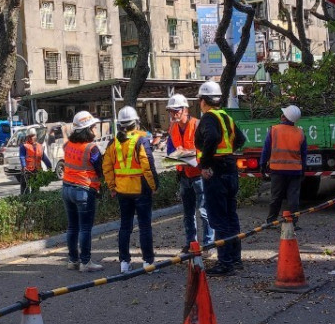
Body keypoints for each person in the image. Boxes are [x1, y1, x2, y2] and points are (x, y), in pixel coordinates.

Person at [194, 81, 247, 276]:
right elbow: (240, 139)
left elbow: (212, 137)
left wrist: (205, 163)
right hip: (230, 168)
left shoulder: (208, 118)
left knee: (218, 218)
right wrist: (226, 153)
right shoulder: (226, 117)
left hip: (216, 171)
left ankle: (225, 263)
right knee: (231, 215)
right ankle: (235, 259)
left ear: (203, 101)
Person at [102, 106, 159, 274]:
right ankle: (148, 262)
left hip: (122, 191)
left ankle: (124, 263)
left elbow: (107, 167)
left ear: (120, 124)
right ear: (136, 123)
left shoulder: (113, 143)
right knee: (145, 227)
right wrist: (154, 186)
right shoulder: (141, 141)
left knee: (125, 227)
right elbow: (148, 166)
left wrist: (112, 187)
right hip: (140, 190)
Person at [165, 93, 212, 253]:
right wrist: (177, 155)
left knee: (204, 212)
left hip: (199, 174)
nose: (173, 114)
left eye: (176, 110)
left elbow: (205, 150)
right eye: (171, 111)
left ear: (185, 109)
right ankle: (191, 243)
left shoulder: (198, 125)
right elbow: (170, 151)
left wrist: (185, 154)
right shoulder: (173, 128)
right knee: (188, 213)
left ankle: (208, 244)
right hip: (184, 174)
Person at [61, 111, 104, 272]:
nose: (95, 129)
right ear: (88, 129)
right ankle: (86, 262)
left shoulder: (68, 145)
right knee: (85, 228)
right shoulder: (92, 148)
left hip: (67, 189)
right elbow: (100, 169)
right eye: (94, 127)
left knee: (72, 227)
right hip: (83, 191)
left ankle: (73, 261)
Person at [260, 105, 308, 225]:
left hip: (277, 170)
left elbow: (266, 150)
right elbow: (303, 154)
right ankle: (293, 222)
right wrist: (303, 170)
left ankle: (271, 221)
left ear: (283, 117)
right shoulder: (300, 133)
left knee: (276, 197)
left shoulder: (274, 130)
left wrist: (262, 164)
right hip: (295, 171)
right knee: (293, 197)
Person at [19, 131, 49, 195]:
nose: (31, 138)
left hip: (37, 171)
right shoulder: (24, 146)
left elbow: (44, 158)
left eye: (32, 136)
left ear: (36, 136)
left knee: (35, 188)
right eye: (29, 136)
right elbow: (22, 157)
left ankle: (34, 199)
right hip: (27, 171)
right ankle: (24, 199)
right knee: (25, 188)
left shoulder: (39, 146)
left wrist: (49, 166)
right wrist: (24, 166)